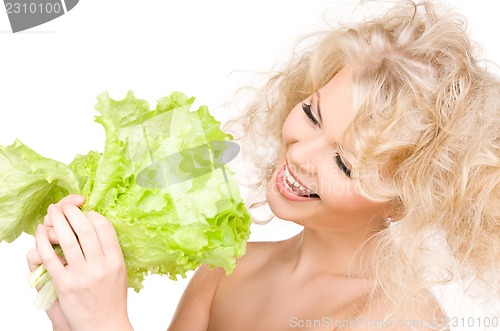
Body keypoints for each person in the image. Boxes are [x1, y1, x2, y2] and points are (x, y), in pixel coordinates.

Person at [27, 1, 499, 330]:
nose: (299, 154)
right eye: (313, 114)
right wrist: (76, 313)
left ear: (413, 195)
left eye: (344, 162)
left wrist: (107, 323)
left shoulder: (402, 319)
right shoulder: (230, 269)